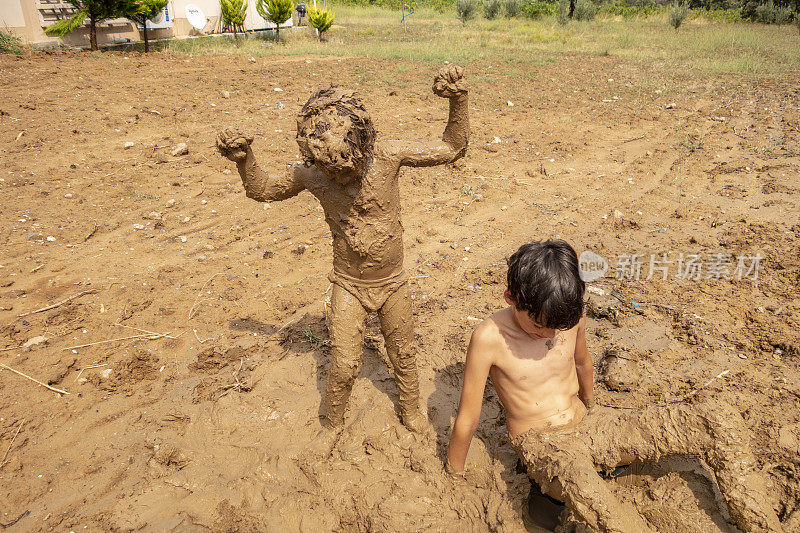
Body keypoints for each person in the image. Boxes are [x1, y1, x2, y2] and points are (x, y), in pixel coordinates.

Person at [446, 240, 783, 532]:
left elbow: (582, 363)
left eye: (557, 328)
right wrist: (454, 474)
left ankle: (762, 523)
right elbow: (468, 417)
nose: (549, 336)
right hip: (545, 446)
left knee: (716, 420)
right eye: (538, 326)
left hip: (590, 427)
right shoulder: (489, 338)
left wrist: (593, 407)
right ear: (510, 297)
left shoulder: (568, 314)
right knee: (587, 488)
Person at [216, 65, 469, 433]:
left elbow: (451, 147)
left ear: (365, 143)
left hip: (393, 282)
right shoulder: (312, 172)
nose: (340, 176)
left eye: (348, 169)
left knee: (403, 355)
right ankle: (333, 422)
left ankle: (411, 410)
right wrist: (245, 161)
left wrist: (458, 100)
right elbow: (262, 190)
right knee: (345, 363)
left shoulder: (388, 155)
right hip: (348, 284)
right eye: (330, 170)